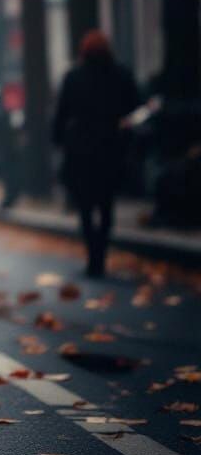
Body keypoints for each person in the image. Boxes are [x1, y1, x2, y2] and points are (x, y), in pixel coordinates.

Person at [52, 30, 142, 277]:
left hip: (80, 149)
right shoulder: (120, 75)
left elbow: (61, 114)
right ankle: (100, 254)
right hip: (110, 147)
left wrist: (59, 140)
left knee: (84, 205)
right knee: (106, 204)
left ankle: (93, 254)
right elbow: (133, 106)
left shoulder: (73, 77)